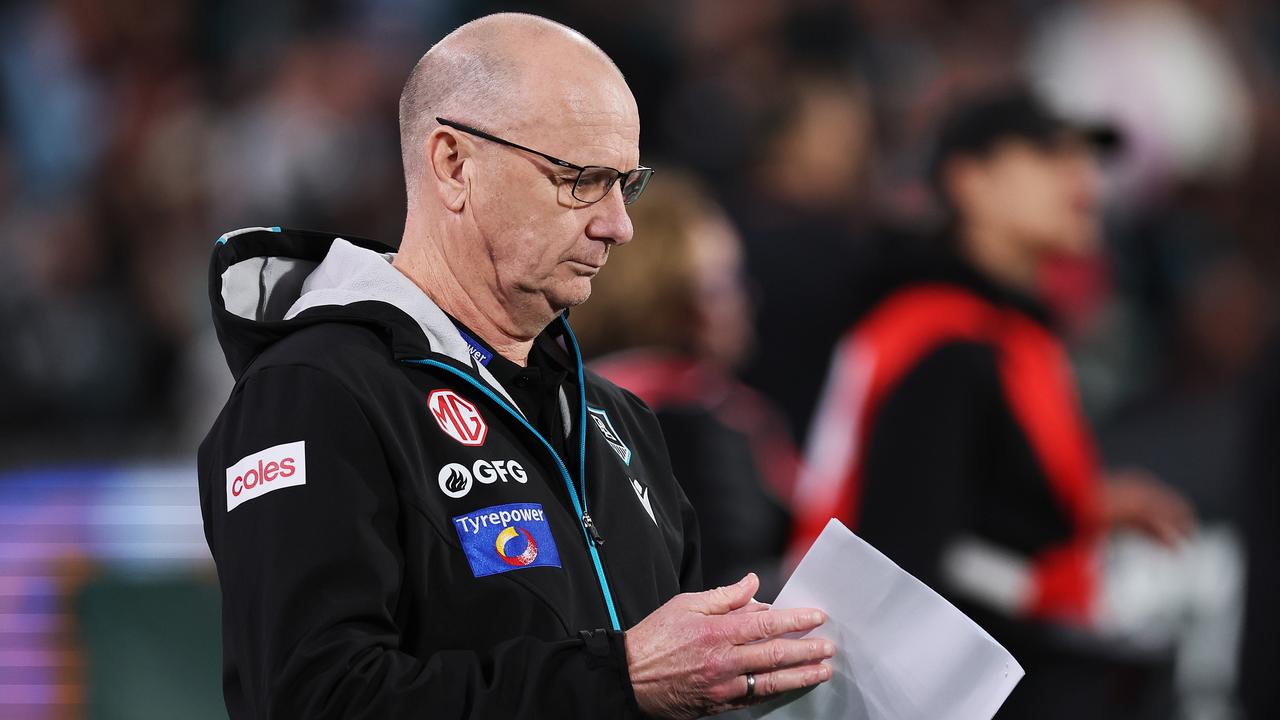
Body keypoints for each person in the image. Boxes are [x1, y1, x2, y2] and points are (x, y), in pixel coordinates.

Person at [197, 14, 834, 720]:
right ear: (453, 163)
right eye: (581, 180)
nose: (618, 224)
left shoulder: (619, 421)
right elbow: (312, 701)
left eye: (627, 183)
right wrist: (619, 678)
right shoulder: (312, 392)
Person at [790, 87, 1195, 718]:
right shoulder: (944, 342)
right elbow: (904, 560)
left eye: (1086, 160)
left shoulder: (997, 329)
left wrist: (1090, 508)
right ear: (969, 181)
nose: (1080, 176)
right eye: (1047, 154)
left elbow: (970, 506)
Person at [571, 172, 799, 600]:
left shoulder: (568, 397)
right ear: (673, 299)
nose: (747, 298)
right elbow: (733, 573)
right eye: (722, 284)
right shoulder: (697, 415)